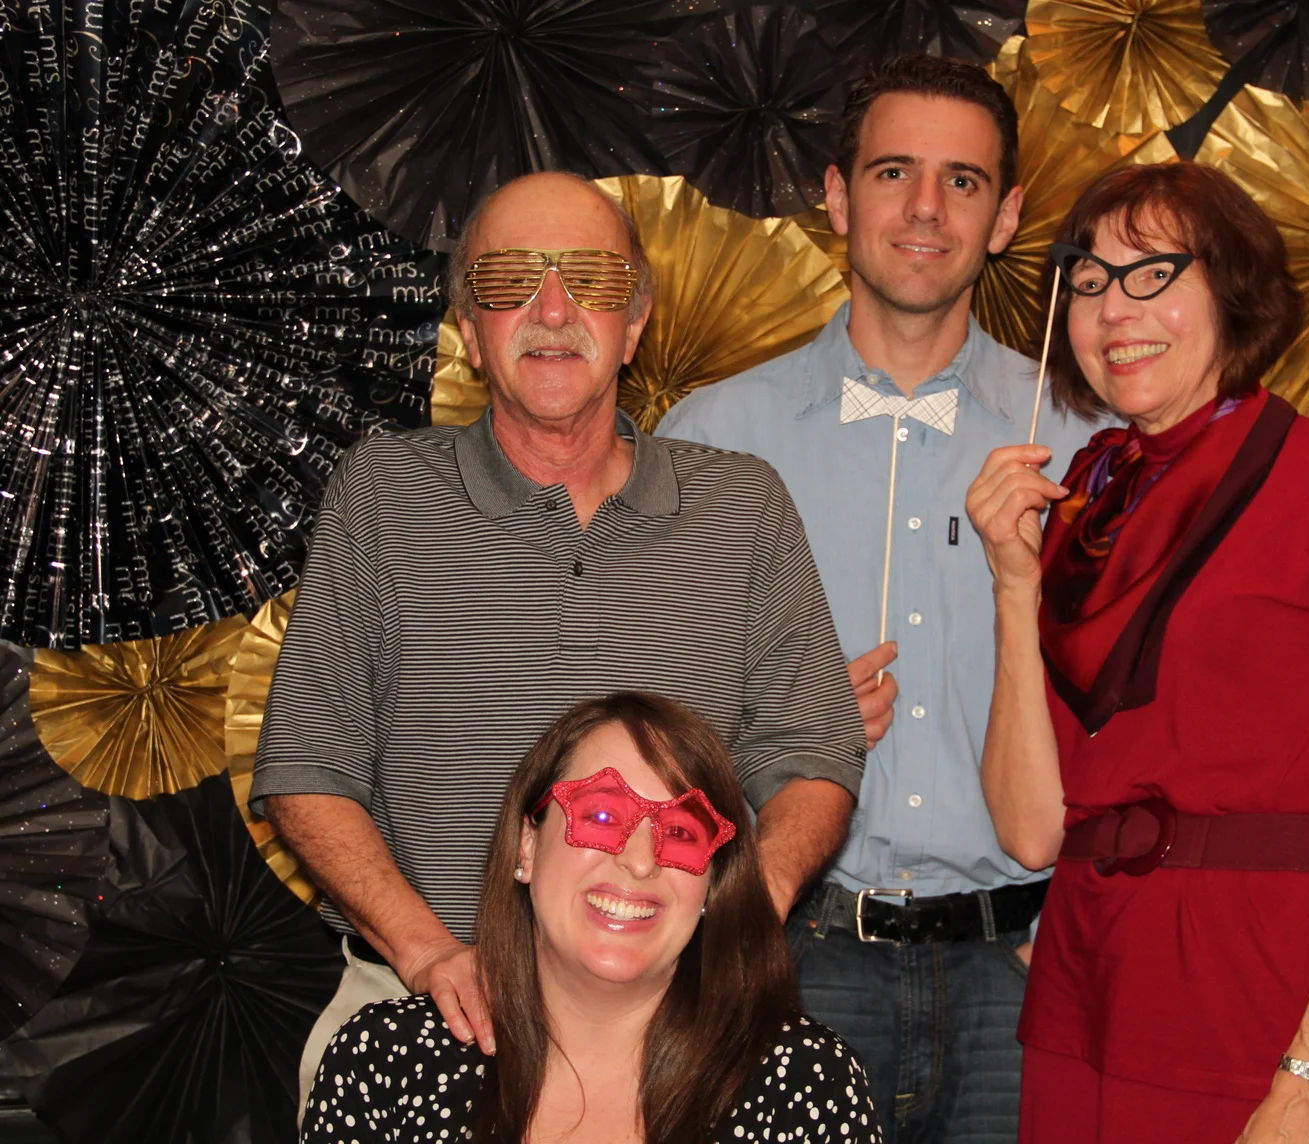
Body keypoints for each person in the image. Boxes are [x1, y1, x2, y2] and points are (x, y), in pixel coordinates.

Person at [253, 172, 867, 1111]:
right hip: (431, 1007)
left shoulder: (743, 507)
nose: (551, 309)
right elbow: (305, 767)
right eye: (509, 280)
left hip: (675, 1019)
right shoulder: (383, 495)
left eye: (590, 279)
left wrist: (739, 921)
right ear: (469, 327)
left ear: (636, 321)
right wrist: (428, 955)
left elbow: (816, 754)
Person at [965, 161, 1309, 1144]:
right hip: (1086, 996)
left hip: (1273, 1003)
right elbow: (1030, 832)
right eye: (1090, 279)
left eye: (1154, 272)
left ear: (1234, 290)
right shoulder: (1082, 507)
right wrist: (1012, 586)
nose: (1115, 309)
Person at [658, 55, 1099, 1142]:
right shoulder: (711, 439)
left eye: (962, 180)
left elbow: (1142, 717)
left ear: (1006, 218)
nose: (924, 208)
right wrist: (770, 736)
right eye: (894, 171)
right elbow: (643, 717)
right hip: (789, 959)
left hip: (1020, 974)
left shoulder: (1084, 441)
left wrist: (1086, 915)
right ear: (837, 196)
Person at [302, 691, 884, 1144]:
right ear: (527, 846)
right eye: (601, 816)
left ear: (712, 883)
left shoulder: (804, 1083)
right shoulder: (387, 1062)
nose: (640, 860)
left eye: (681, 832)